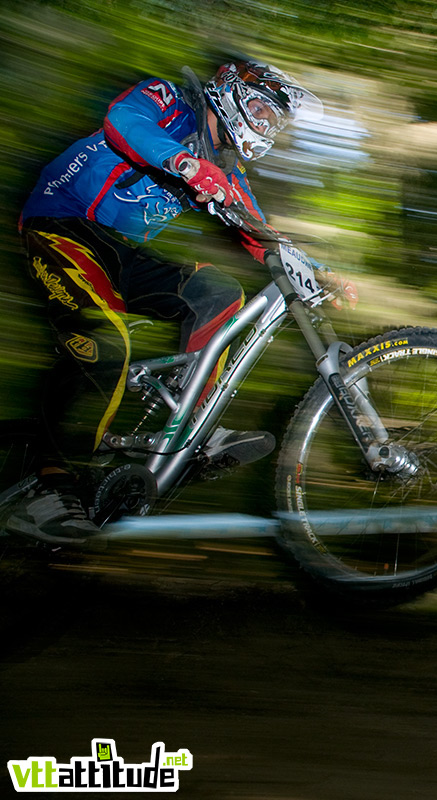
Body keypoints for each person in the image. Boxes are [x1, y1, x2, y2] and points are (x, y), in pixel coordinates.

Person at [7, 59, 343, 544]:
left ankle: (192, 421)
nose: (266, 127)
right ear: (229, 93)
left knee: (219, 293)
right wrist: (184, 163)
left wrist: (316, 271)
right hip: (61, 226)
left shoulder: (227, 170)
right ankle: (48, 486)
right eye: (261, 111)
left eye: (275, 122)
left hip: (121, 253)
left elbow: (261, 234)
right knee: (104, 340)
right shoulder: (173, 103)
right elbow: (123, 122)